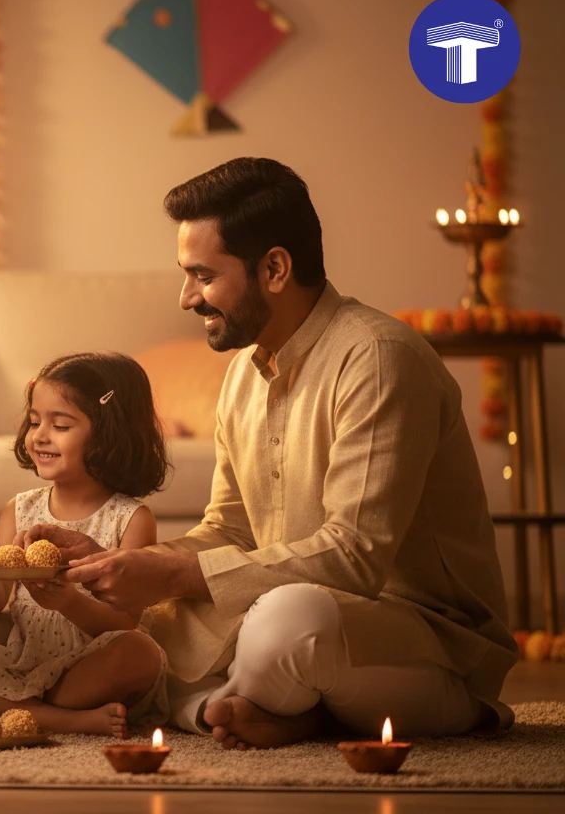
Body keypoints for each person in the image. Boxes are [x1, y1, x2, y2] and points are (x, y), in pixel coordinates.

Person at [29, 157, 517, 750]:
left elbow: (355, 557)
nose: (186, 298)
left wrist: (173, 573)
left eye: (203, 276)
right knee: (151, 626)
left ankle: (222, 703)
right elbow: (227, 529)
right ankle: (270, 710)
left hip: (422, 638)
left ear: (276, 269)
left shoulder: (378, 358)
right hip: (290, 612)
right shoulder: (242, 373)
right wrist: (118, 562)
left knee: (287, 624)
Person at [0, 352, 172, 738]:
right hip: (21, 657)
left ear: (110, 432)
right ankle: (59, 719)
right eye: (34, 422)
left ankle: (0, 706)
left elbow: (124, 621)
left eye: (60, 424)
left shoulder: (131, 518)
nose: (39, 435)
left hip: (86, 665)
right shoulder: (20, 507)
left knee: (140, 654)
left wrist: (68, 602)